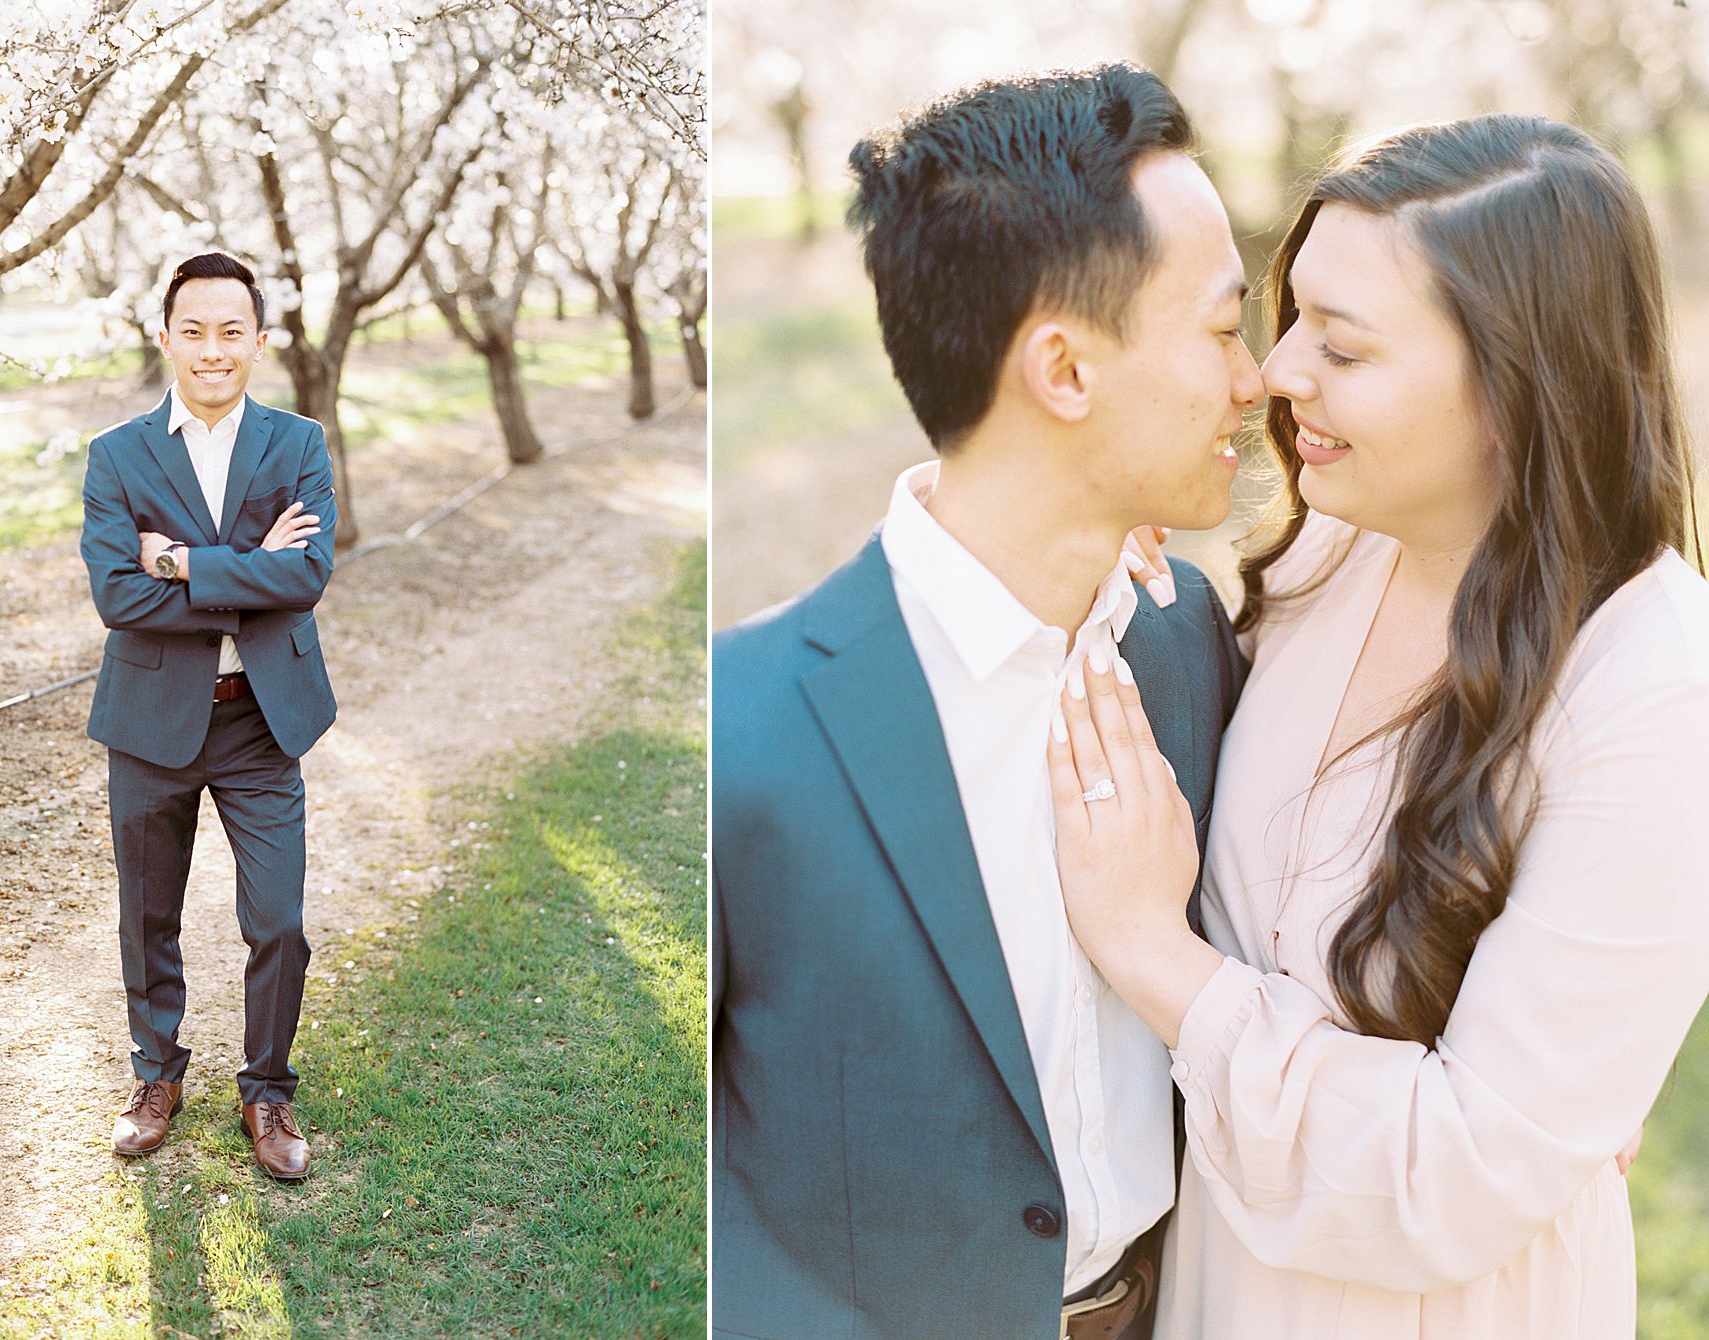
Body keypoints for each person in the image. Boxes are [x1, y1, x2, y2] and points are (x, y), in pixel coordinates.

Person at [1047, 115, 1709, 1338]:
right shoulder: (1337, 543)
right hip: (1218, 1270)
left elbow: (1455, 1176)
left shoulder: (1654, 683)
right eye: (1287, 313)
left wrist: (1152, 952)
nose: (1274, 370)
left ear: (1517, 387)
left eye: (1340, 349)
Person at [711, 65, 1260, 1339]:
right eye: (1224, 326)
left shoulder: (1185, 642)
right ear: (1063, 368)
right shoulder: (751, 733)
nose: (1254, 380)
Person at [79, 251, 339, 1182]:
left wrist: (183, 562)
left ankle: (268, 1089)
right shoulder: (117, 455)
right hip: (151, 718)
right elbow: (118, 596)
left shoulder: (298, 443)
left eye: (232, 331)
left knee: (280, 921)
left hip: (261, 720)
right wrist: (247, 568)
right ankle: (156, 1076)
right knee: (147, 914)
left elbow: (306, 576)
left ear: (259, 342)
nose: (212, 349)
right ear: (165, 338)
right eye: (194, 330)